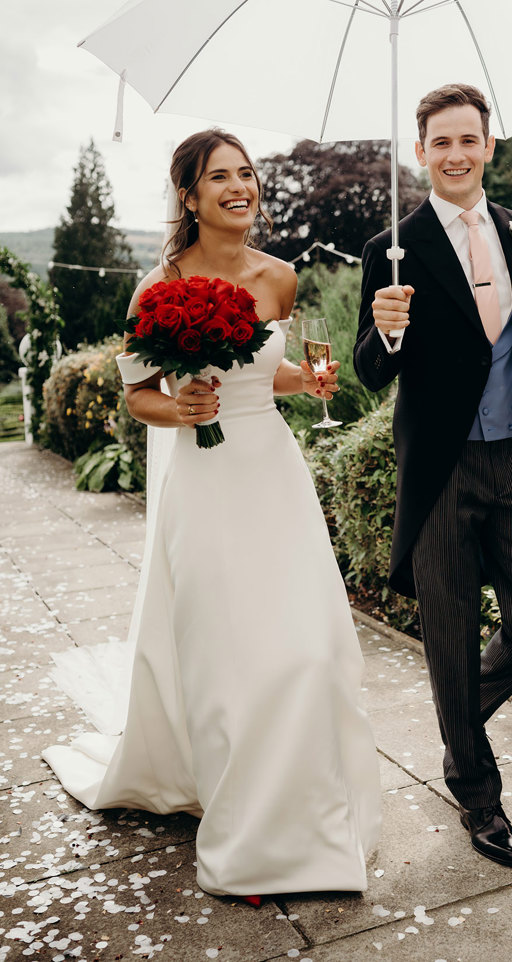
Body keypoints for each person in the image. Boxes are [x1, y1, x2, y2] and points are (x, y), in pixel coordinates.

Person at [43, 128, 380, 899]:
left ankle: (311, 820)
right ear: (189, 196)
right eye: (219, 177)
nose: (241, 187)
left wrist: (316, 380)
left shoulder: (281, 278)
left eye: (247, 174)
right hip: (200, 482)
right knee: (231, 661)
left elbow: (280, 373)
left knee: (308, 651)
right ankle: (249, 842)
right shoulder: (156, 287)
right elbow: (138, 395)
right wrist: (183, 407)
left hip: (273, 476)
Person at [354, 84, 512, 869]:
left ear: (489, 145)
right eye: (440, 142)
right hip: (441, 471)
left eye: (469, 139)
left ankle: (460, 715)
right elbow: (366, 372)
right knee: (451, 635)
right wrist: (386, 332)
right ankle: (477, 792)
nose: (456, 154)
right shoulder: (389, 250)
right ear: (420, 150)